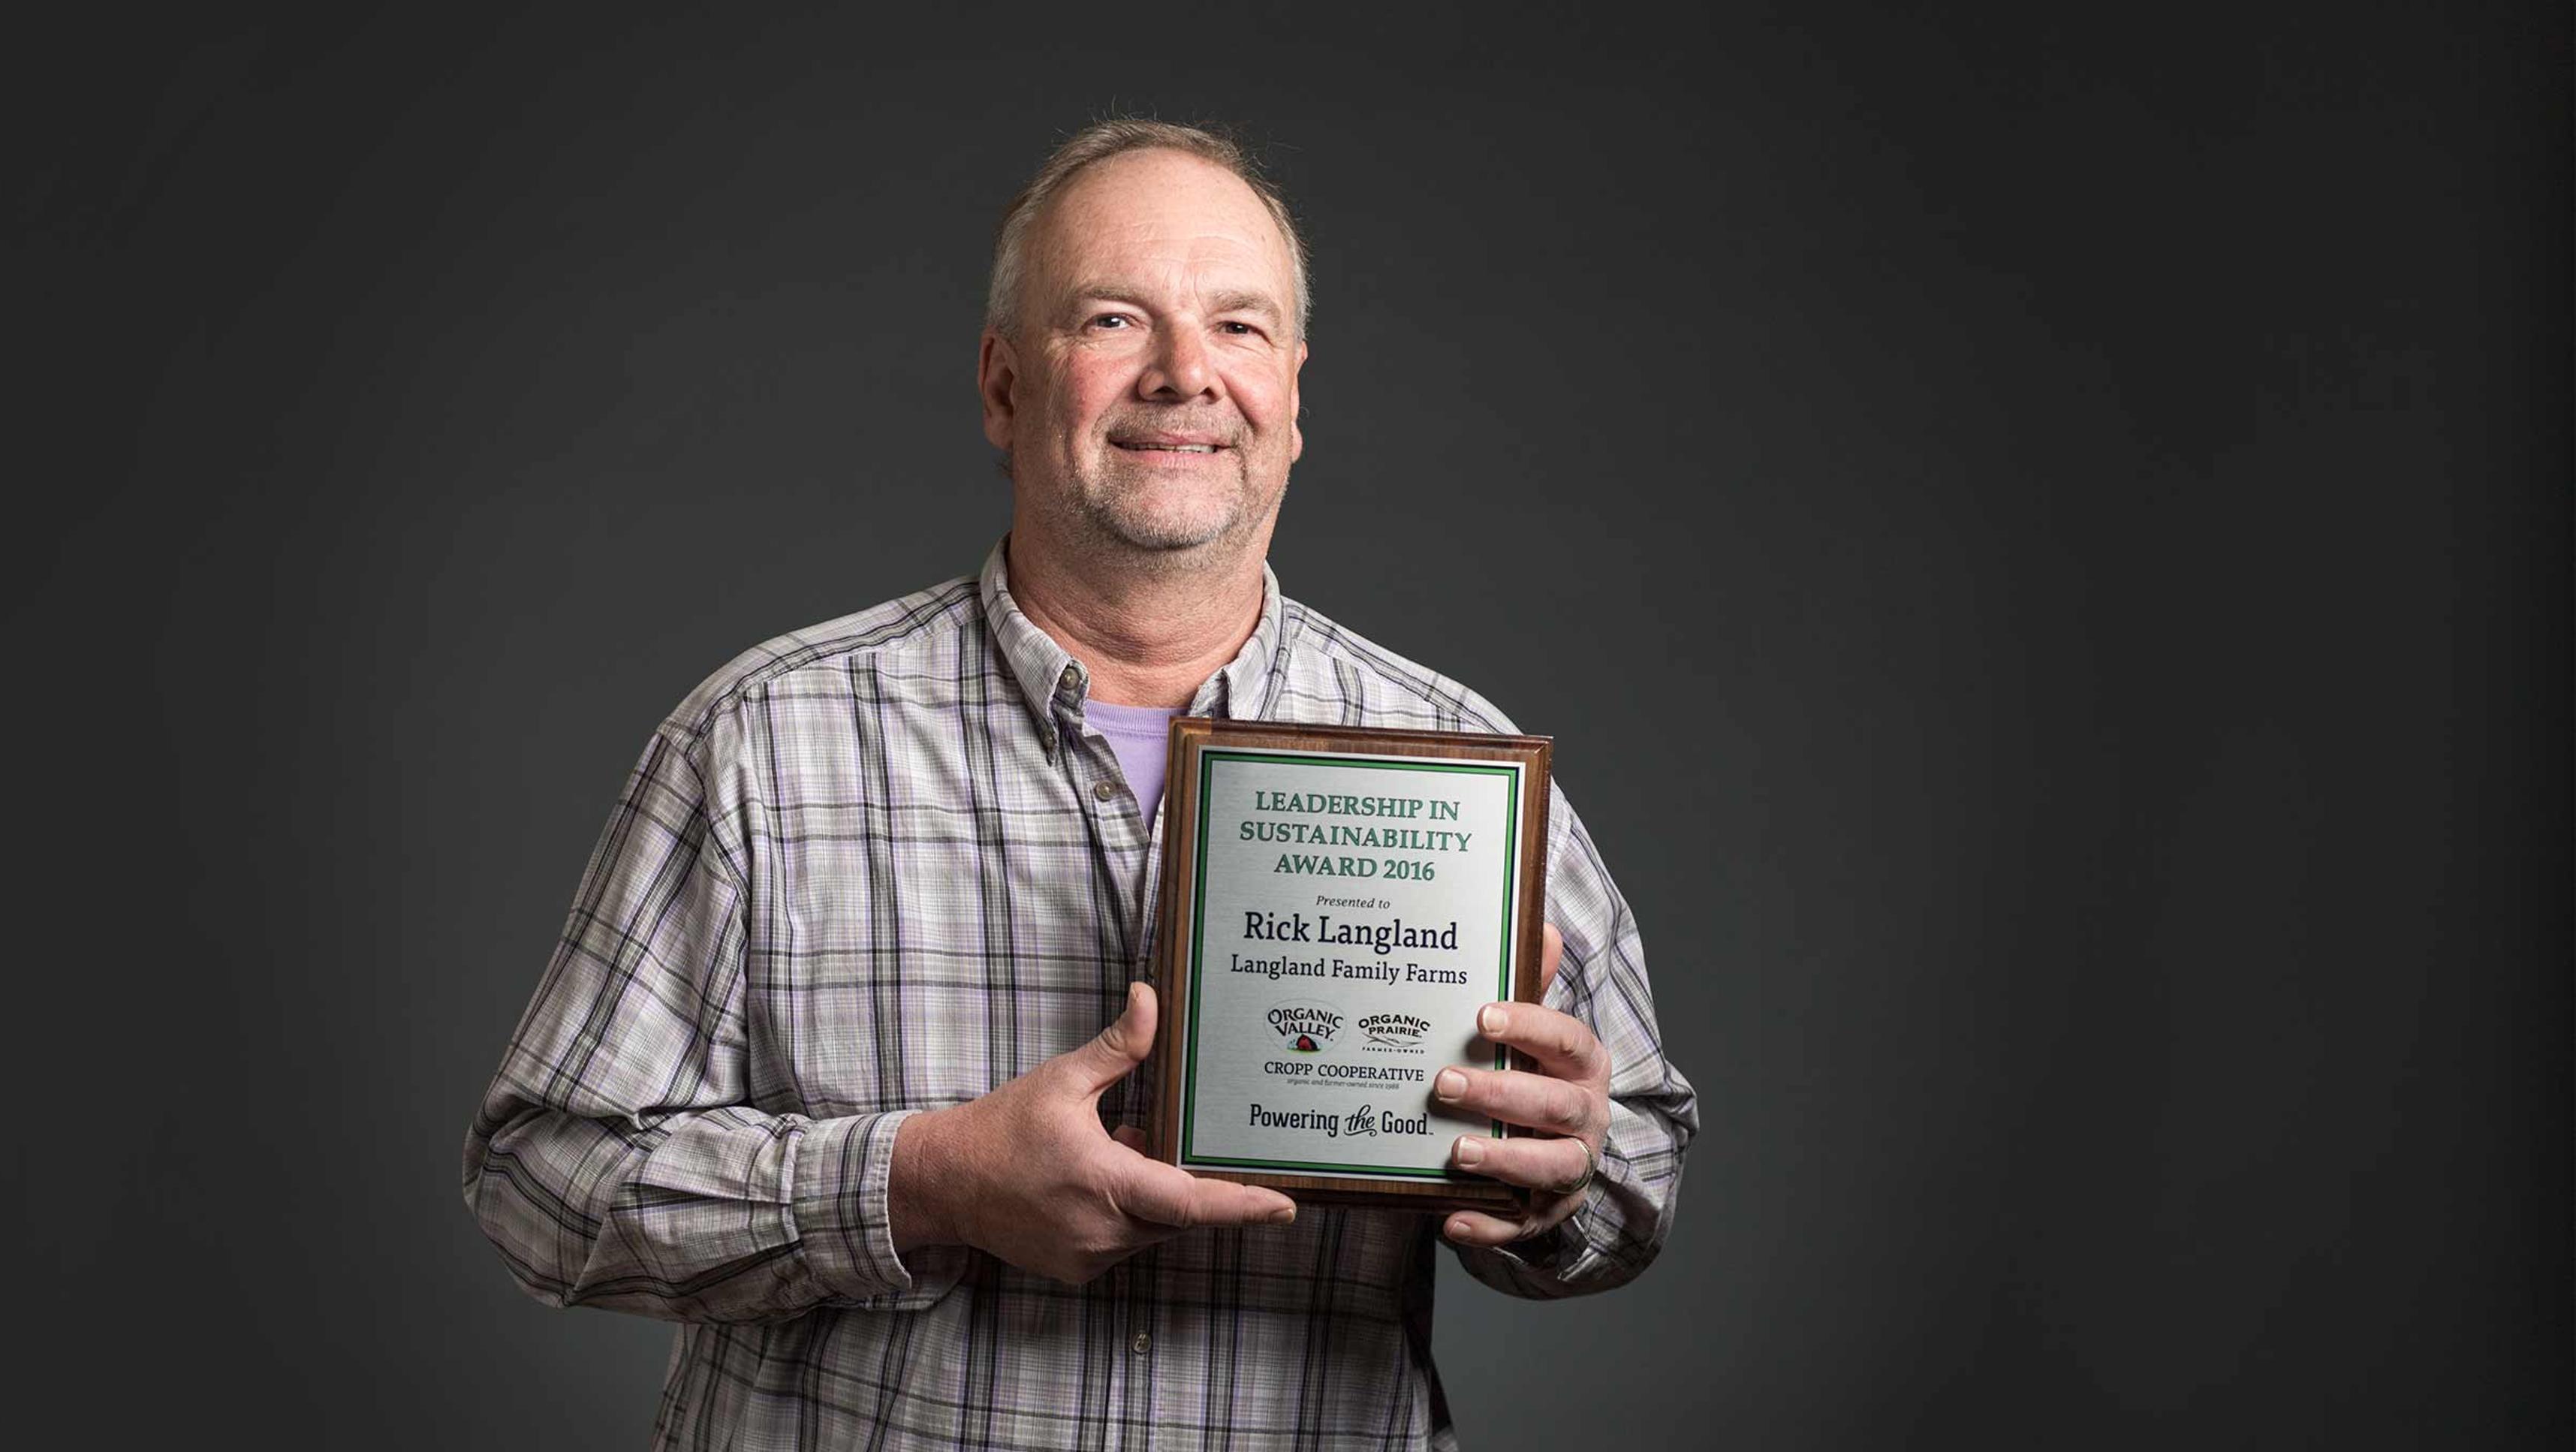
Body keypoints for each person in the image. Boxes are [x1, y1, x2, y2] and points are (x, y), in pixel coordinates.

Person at [461, 119, 1699, 1450]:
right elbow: (542, 1183)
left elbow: (1635, 1170)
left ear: (1292, 394)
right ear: (1003, 387)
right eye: (1115, 318)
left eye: (1238, 327)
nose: (1184, 376)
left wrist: (1564, 1173)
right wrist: (916, 1183)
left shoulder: (1454, 764)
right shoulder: (765, 739)